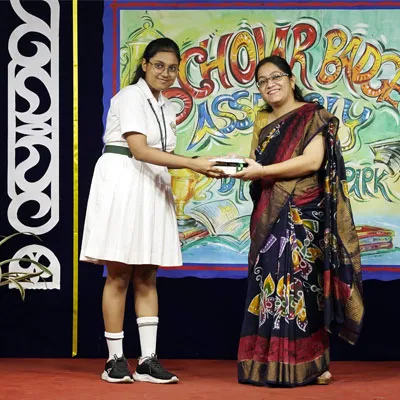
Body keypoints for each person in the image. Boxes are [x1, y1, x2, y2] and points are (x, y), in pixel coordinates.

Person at [80, 38, 224, 384]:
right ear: (144, 65)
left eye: (172, 68)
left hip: (153, 183)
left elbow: (162, 155)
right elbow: (140, 150)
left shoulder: (167, 106)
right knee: (119, 272)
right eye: (159, 65)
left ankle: (147, 361)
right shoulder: (130, 96)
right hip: (124, 178)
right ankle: (115, 360)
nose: (166, 73)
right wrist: (193, 164)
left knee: (147, 273)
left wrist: (202, 164)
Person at [232, 55, 364, 387]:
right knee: (267, 285)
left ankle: (312, 364)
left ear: (291, 80)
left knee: (303, 289)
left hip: (304, 214)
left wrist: (262, 170)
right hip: (268, 212)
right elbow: (256, 161)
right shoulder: (262, 120)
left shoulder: (312, 115)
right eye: (262, 81)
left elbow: (312, 161)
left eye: (276, 77)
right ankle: (266, 364)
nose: (270, 84)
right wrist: (236, 165)